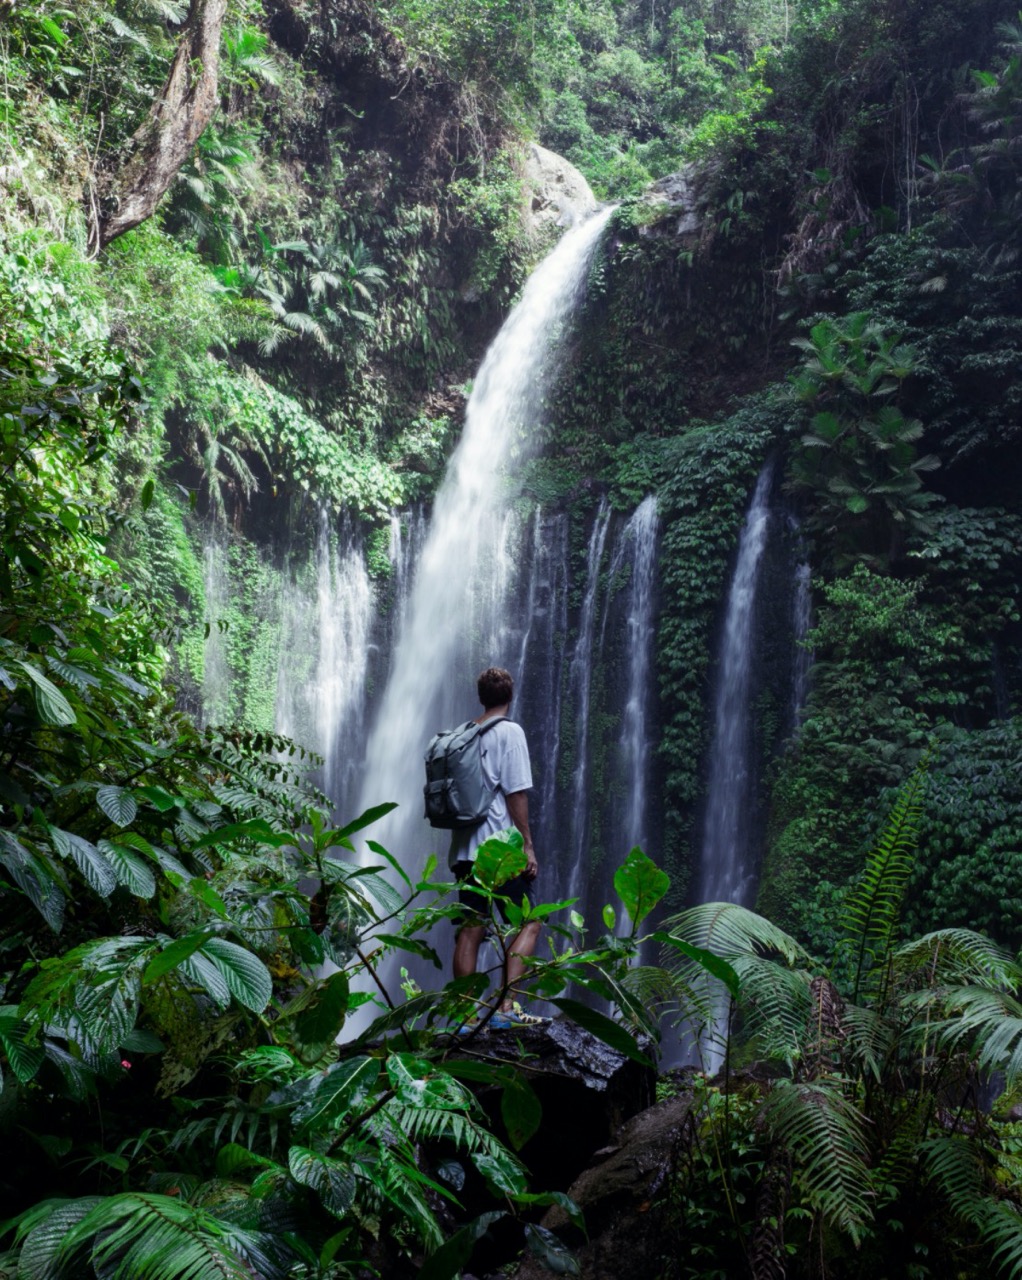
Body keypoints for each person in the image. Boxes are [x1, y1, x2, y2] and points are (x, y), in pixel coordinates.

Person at [449, 666, 545, 1028]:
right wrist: (527, 848)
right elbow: (516, 792)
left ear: (481, 697)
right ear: (510, 696)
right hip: (497, 850)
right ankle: (506, 1010)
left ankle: (464, 1015)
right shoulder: (510, 732)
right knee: (530, 923)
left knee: (470, 928)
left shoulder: (463, 734)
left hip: (463, 850)